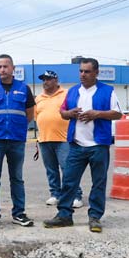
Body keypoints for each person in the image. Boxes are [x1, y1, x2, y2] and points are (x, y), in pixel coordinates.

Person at [44, 58, 122, 233]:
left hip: (98, 145)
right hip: (76, 145)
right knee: (69, 182)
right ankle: (64, 215)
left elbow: (117, 113)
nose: (83, 75)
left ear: (96, 72)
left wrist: (98, 114)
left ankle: (95, 217)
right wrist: (69, 113)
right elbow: (62, 112)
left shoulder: (107, 91)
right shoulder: (72, 92)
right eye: (81, 71)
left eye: (87, 71)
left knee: (98, 183)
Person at [0, 54, 35, 228]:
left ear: (13, 68)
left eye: (5, 66)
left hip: (16, 140)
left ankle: (19, 213)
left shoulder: (24, 89)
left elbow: (30, 114)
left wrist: (16, 127)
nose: (2, 69)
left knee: (17, 178)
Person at [34, 70, 82, 209]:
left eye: (48, 79)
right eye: (43, 80)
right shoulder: (39, 98)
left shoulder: (66, 94)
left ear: (56, 80)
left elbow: (73, 111)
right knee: (51, 170)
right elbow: (37, 116)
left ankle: (76, 195)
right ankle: (56, 194)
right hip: (44, 139)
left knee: (68, 169)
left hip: (63, 139)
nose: (45, 82)